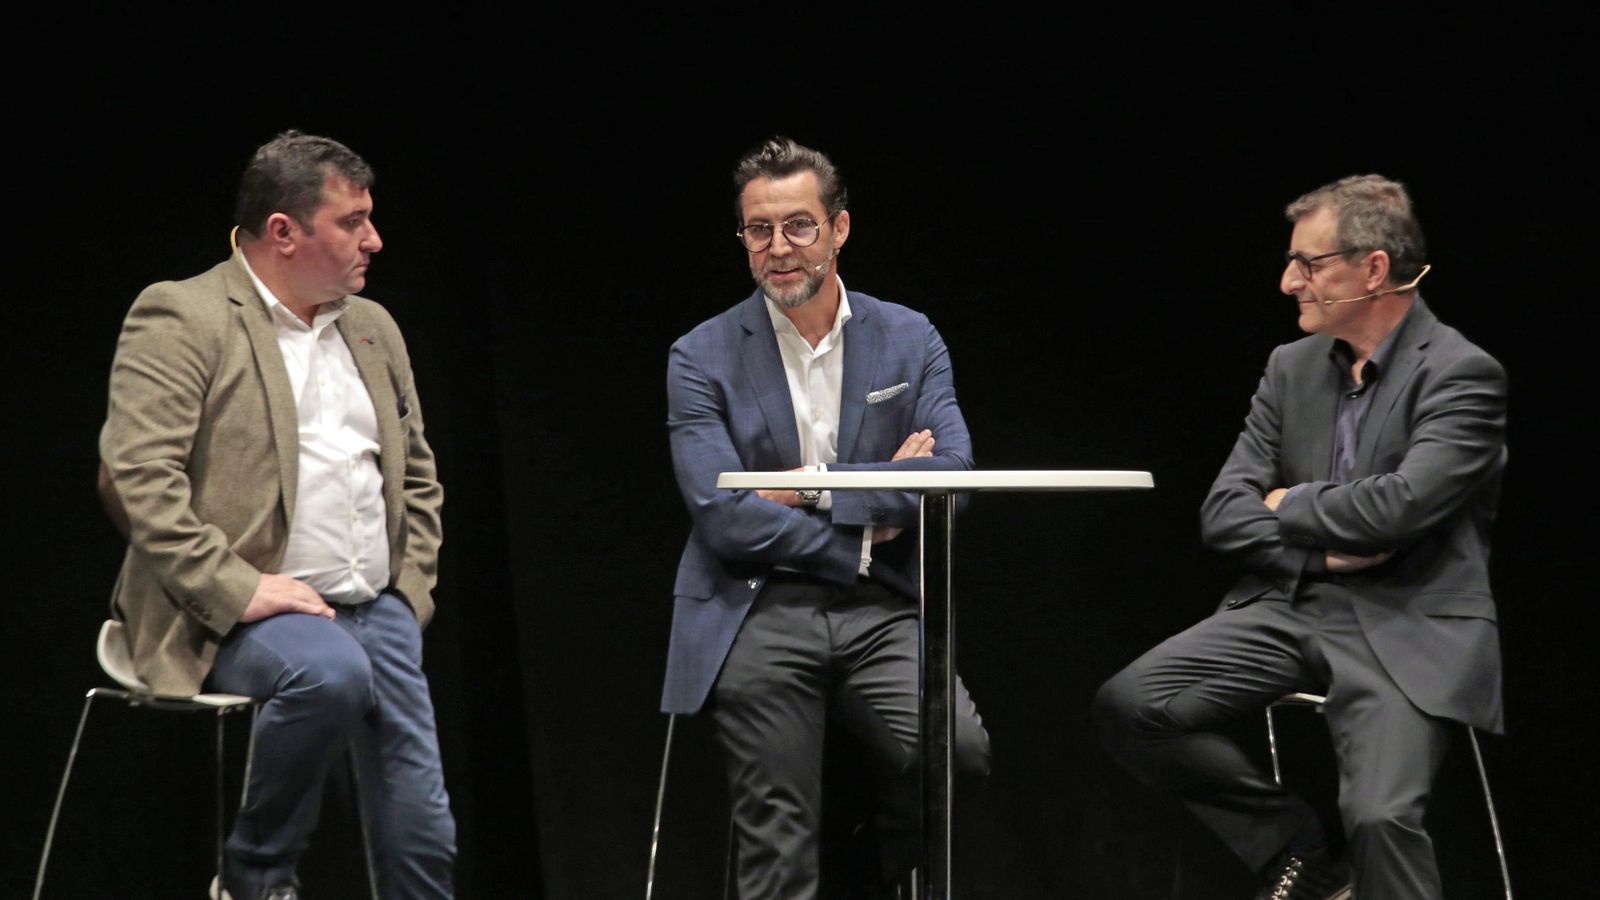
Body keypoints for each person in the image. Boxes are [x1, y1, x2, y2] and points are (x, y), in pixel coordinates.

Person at [1094, 174, 1506, 899]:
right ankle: (1302, 852)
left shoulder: (1460, 374)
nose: (1289, 282)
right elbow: (1224, 510)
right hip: (1293, 602)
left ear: (1373, 269)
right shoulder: (1292, 367)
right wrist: (1320, 549)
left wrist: (1289, 500)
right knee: (1132, 705)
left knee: (1379, 816)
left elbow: (1399, 509)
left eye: (1309, 264)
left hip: (1406, 622)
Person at [99, 131, 454, 900]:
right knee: (328, 673)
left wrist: (410, 592)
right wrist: (239, 587)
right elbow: (135, 478)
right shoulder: (186, 315)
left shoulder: (373, 327)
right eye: (353, 221)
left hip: (376, 608)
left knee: (422, 828)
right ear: (284, 231)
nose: (375, 239)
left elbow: (418, 475)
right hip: (235, 613)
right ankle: (254, 876)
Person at [661, 136, 991, 898]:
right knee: (779, 828)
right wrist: (865, 531)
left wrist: (810, 485)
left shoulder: (909, 337)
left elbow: (952, 478)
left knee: (958, 757)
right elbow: (723, 515)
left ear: (839, 229)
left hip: (881, 608)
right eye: (759, 230)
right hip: (756, 602)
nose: (779, 248)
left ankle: (862, 878)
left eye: (799, 226)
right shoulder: (699, 355)